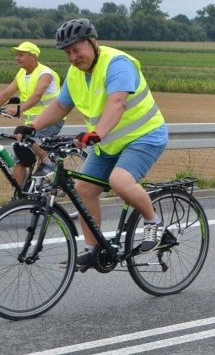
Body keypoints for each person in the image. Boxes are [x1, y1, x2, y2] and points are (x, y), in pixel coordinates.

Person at [14, 19, 169, 271]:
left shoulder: (117, 63)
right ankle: (93, 249)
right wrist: (33, 127)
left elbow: (117, 102)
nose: (74, 57)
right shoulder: (76, 74)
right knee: (83, 189)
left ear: (93, 43)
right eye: (68, 53)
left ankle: (153, 222)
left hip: (143, 136)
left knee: (120, 181)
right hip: (108, 143)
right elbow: (61, 106)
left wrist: (97, 132)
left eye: (78, 50)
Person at [0, 41, 65, 183]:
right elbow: (5, 94)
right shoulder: (22, 74)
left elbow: (37, 96)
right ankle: (22, 195)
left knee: (29, 141)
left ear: (33, 56)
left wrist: (18, 110)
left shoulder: (45, 74)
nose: (17, 58)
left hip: (52, 120)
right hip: (32, 123)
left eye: (21, 55)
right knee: (19, 159)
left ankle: (47, 162)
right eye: (16, 54)